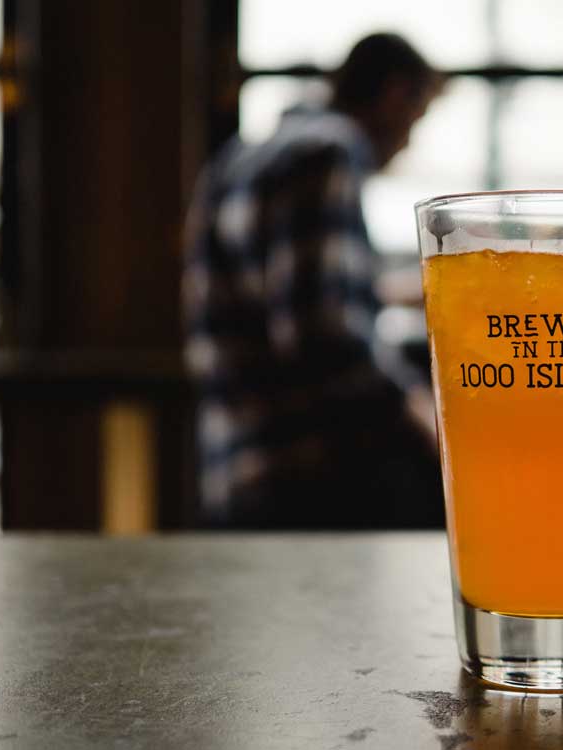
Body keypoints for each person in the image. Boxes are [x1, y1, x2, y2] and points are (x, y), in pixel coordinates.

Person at [183, 34, 443, 528]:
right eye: (417, 118)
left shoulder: (238, 160)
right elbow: (326, 336)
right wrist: (423, 414)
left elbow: (282, 296)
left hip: (233, 471)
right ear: (393, 95)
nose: (409, 141)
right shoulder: (330, 153)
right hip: (310, 482)